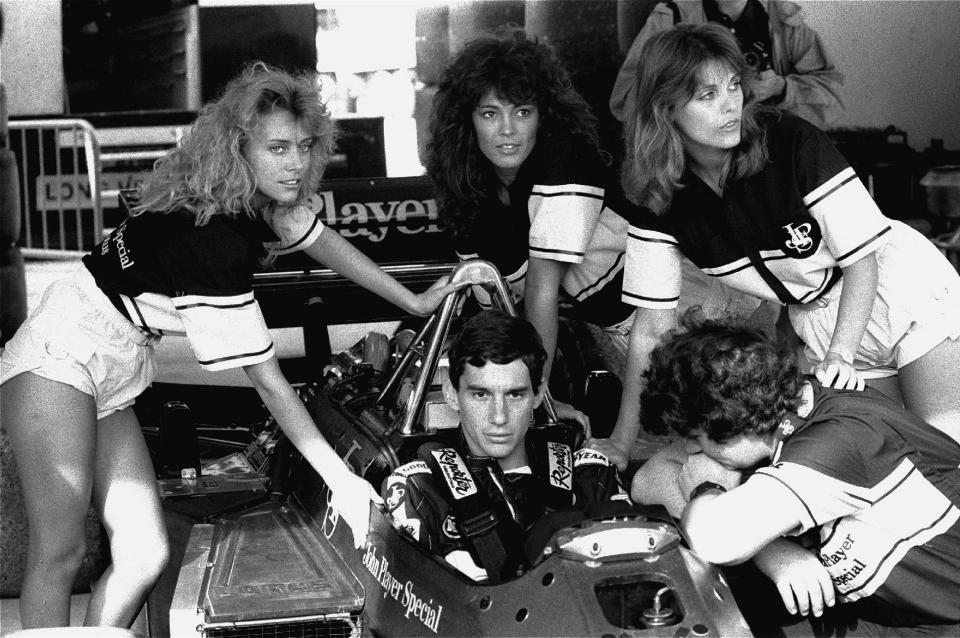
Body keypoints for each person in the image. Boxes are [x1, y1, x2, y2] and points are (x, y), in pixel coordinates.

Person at [0, 63, 460, 630]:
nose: (294, 163)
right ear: (240, 148)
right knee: (60, 552)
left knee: (144, 554)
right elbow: (269, 382)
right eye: (277, 148)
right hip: (58, 357)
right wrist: (342, 480)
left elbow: (326, 243)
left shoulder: (250, 195)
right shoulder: (212, 241)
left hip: (113, 367)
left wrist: (412, 303)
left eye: (303, 145)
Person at [596, 23, 960, 469]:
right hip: (821, 323)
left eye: (732, 86)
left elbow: (864, 260)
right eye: (706, 96)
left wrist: (839, 354)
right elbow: (650, 331)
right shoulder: (661, 197)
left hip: (899, 290)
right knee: (892, 457)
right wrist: (621, 441)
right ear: (666, 109)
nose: (730, 106)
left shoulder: (789, 140)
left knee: (946, 446)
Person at [424, 27, 758, 428]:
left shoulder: (565, 156)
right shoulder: (468, 189)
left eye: (523, 111)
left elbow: (540, 291)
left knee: (719, 438)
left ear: (543, 114)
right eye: (490, 113)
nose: (508, 130)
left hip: (690, 317)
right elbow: (497, 313)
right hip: (619, 337)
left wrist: (536, 398)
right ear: (468, 119)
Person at [630, 314, 960, 637]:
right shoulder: (778, 407)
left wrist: (706, 488)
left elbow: (715, 540)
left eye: (696, 437)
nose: (690, 451)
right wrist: (772, 552)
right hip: (881, 608)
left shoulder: (837, 443)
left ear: (726, 423)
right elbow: (648, 480)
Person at [381, 310, 628, 582]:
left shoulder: (590, 477)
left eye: (515, 394)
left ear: (538, 394)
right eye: (481, 394)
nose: (499, 417)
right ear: (452, 394)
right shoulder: (419, 492)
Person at [610, 0, 844, 130]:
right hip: (692, 155)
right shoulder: (670, 18)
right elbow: (626, 101)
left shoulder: (784, 21)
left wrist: (781, 88)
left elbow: (833, 98)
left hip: (770, 147)